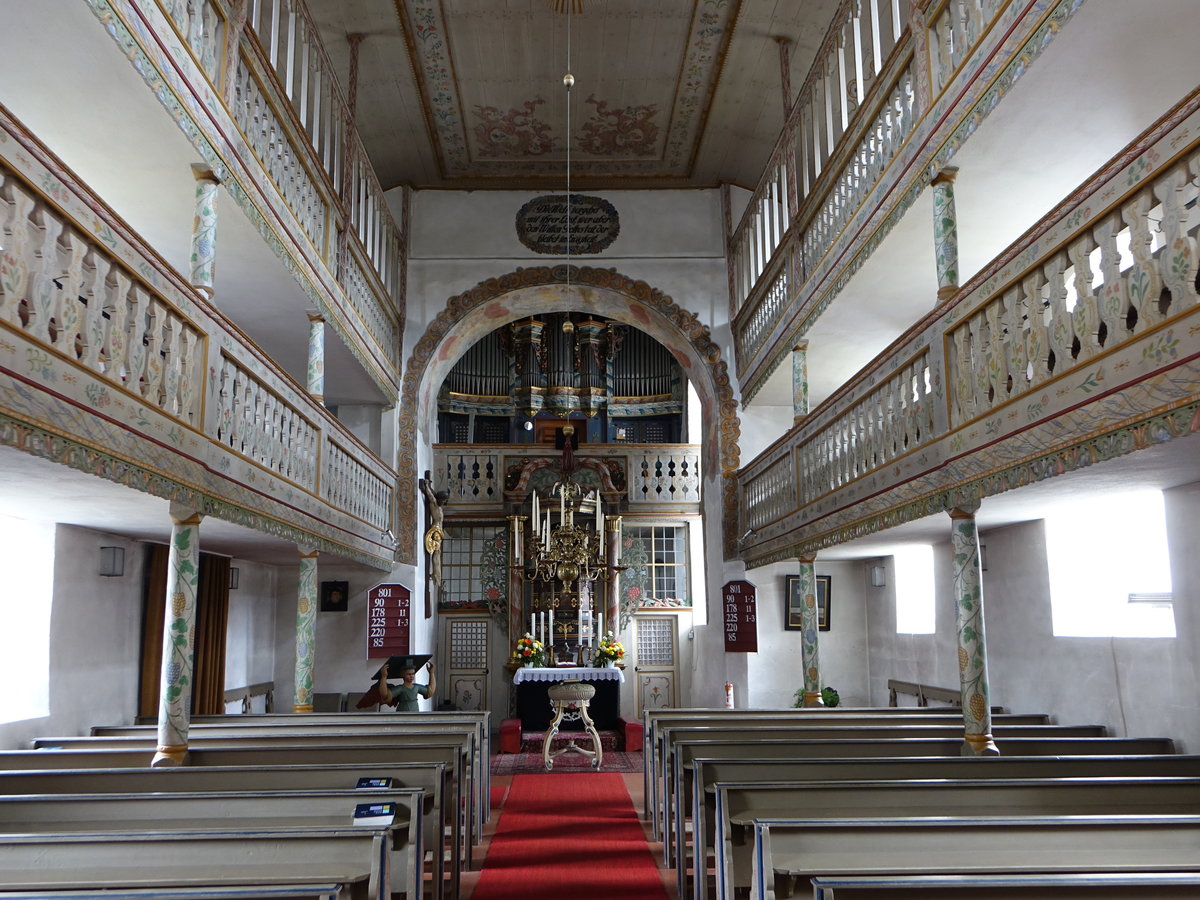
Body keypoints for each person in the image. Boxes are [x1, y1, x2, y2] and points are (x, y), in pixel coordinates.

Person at [421, 471, 450, 589]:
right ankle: (436, 575)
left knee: (437, 553)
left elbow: (432, 493)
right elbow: (430, 495)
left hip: (439, 531)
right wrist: (427, 485)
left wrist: (429, 486)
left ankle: (436, 575)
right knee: (436, 554)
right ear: (441, 499)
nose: (444, 502)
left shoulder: (438, 506)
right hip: (436, 530)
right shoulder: (434, 504)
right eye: (444, 500)